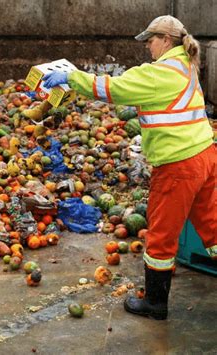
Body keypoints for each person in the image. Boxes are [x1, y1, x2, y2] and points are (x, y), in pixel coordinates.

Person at [43, 15, 216, 320]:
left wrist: (71, 78)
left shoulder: (159, 72)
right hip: (205, 155)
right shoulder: (186, 64)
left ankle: (155, 303)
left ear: (165, 40)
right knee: (213, 226)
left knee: (162, 235)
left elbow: (114, 88)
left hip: (178, 165)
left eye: (151, 40)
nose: (148, 46)